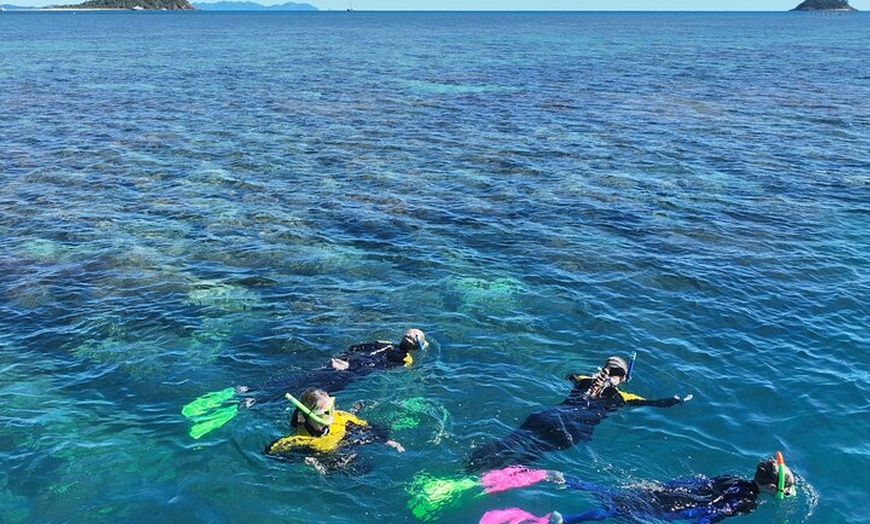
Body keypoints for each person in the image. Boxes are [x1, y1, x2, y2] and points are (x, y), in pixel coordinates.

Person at [182, 328, 428, 439]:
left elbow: (361, 350)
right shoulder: (404, 359)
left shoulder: (385, 343)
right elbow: (374, 366)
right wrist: (347, 365)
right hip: (344, 373)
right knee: (301, 391)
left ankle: (244, 392)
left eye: (411, 336)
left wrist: (344, 360)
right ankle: (246, 400)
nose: (409, 339)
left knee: (301, 383)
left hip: (340, 365)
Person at [466, 355, 690, 472]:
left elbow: (570, 375)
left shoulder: (584, 380)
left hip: (546, 416)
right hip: (570, 430)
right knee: (528, 456)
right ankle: (491, 479)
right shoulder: (623, 397)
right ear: (622, 378)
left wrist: (588, 377)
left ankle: (469, 466)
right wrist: (677, 400)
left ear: (603, 369)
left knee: (507, 442)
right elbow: (656, 403)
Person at [479, 455, 797, 524]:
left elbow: (698, 483)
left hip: (667, 492)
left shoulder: (732, 476)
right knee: (611, 511)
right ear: (771, 488)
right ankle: (557, 521)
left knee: (608, 493)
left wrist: (659, 487)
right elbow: (713, 513)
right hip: (674, 509)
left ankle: (556, 476)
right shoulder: (749, 502)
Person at [264, 387, 404, 474]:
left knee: (364, 469)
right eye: (324, 412)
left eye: (331, 408)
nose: (331, 415)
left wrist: (386, 440)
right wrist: (305, 463)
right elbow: (270, 454)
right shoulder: (299, 440)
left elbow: (369, 427)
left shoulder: (342, 417)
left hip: (346, 448)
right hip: (329, 462)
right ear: (306, 416)